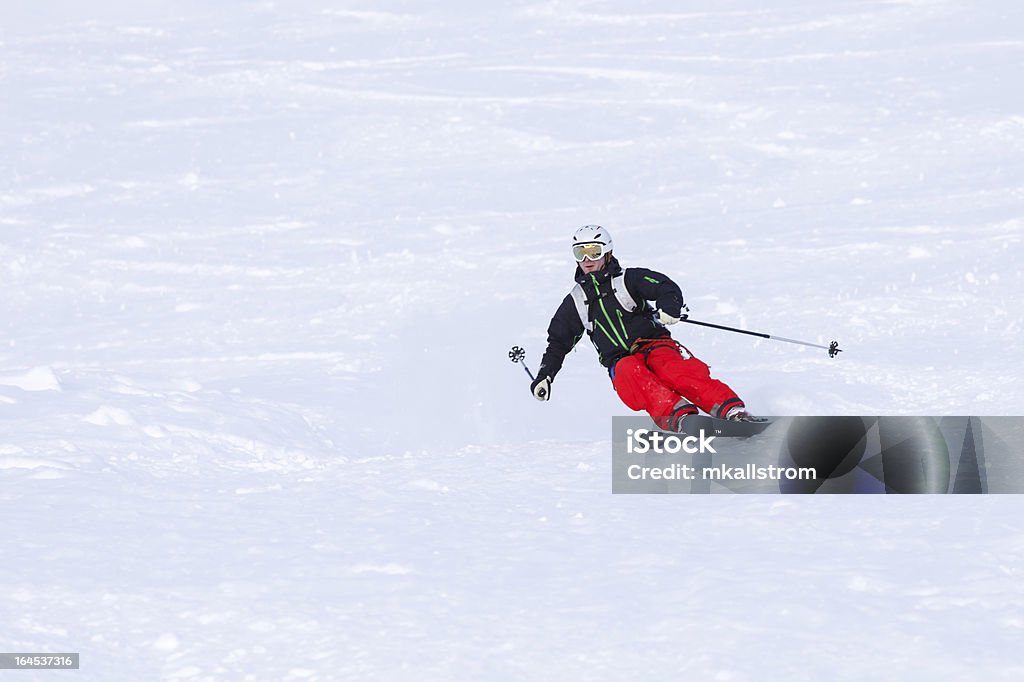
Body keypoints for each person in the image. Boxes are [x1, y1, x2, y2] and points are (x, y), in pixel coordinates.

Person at [531, 224, 754, 431]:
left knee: (672, 369)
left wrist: (669, 307)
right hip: (619, 361)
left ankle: (730, 410)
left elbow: (665, 287)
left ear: (607, 252)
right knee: (629, 370)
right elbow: (558, 342)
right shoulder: (576, 301)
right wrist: (545, 375)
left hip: (653, 344)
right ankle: (683, 419)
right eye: (580, 253)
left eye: (594, 252)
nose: (587, 259)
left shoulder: (628, 279)